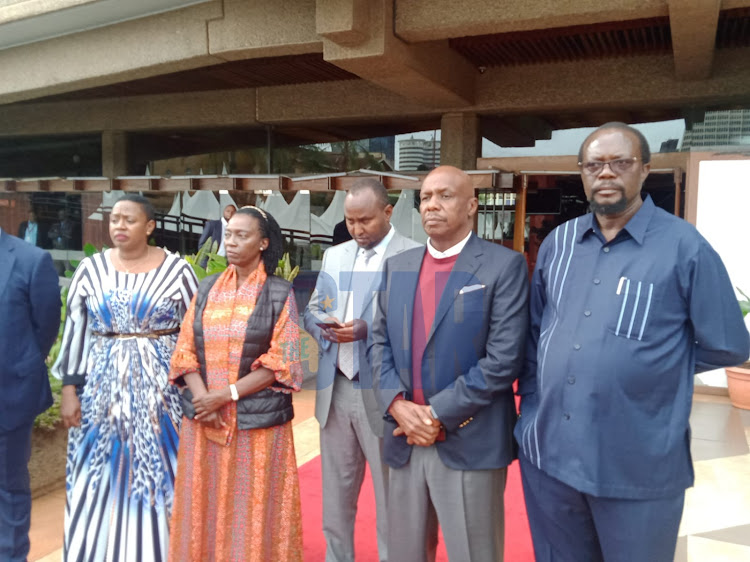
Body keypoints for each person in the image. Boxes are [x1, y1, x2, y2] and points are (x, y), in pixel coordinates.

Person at [515, 122, 750, 562]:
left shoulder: (686, 248)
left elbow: (730, 344)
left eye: (620, 163)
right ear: (581, 173)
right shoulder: (558, 245)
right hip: (550, 457)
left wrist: (653, 367)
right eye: (594, 164)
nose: (606, 173)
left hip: (637, 465)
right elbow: (535, 335)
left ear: (644, 169)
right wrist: (528, 415)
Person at [369, 165, 529, 562]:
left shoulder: (503, 266)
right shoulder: (398, 266)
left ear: (472, 205)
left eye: (445, 195)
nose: (432, 205)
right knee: (405, 553)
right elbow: (377, 343)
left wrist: (436, 414)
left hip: (469, 439)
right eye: (425, 197)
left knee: (473, 553)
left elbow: (503, 359)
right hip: (404, 436)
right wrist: (397, 405)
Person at [53, 194, 198, 561]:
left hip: (161, 399)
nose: (119, 225)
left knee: (163, 471)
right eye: (114, 218)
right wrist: (70, 390)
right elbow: (76, 332)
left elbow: (195, 332)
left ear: (149, 226)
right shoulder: (91, 269)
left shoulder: (177, 272)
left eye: (129, 219)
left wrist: (196, 391)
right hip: (101, 394)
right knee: (96, 473)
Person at [168, 206, 304, 561]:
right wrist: (203, 401)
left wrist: (224, 396)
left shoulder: (279, 292)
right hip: (205, 422)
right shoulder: (207, 287)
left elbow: (282, 361)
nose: (231, 241)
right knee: (204, 503)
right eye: (228, 234)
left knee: (252, 506)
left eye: (242, 235)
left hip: (255, 426)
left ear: (263, 242)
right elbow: (185, 351)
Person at [304, 179, 421, 562]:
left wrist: (366, 328)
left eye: (365, 220)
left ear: (388, 212)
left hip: (383, 390)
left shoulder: (414, 254)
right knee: (335, 492)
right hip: (335, 387)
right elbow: (312, 309)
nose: (357, 230)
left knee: (390, 493)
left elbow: (415, 320)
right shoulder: (335, 256)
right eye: (350, 221)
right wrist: (323, 325)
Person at [0, 228, 60, 562]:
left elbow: (46, 325)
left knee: (8, 485)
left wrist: (18, 365)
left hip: (8, 393)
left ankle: (11, 555)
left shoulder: (31, 259)